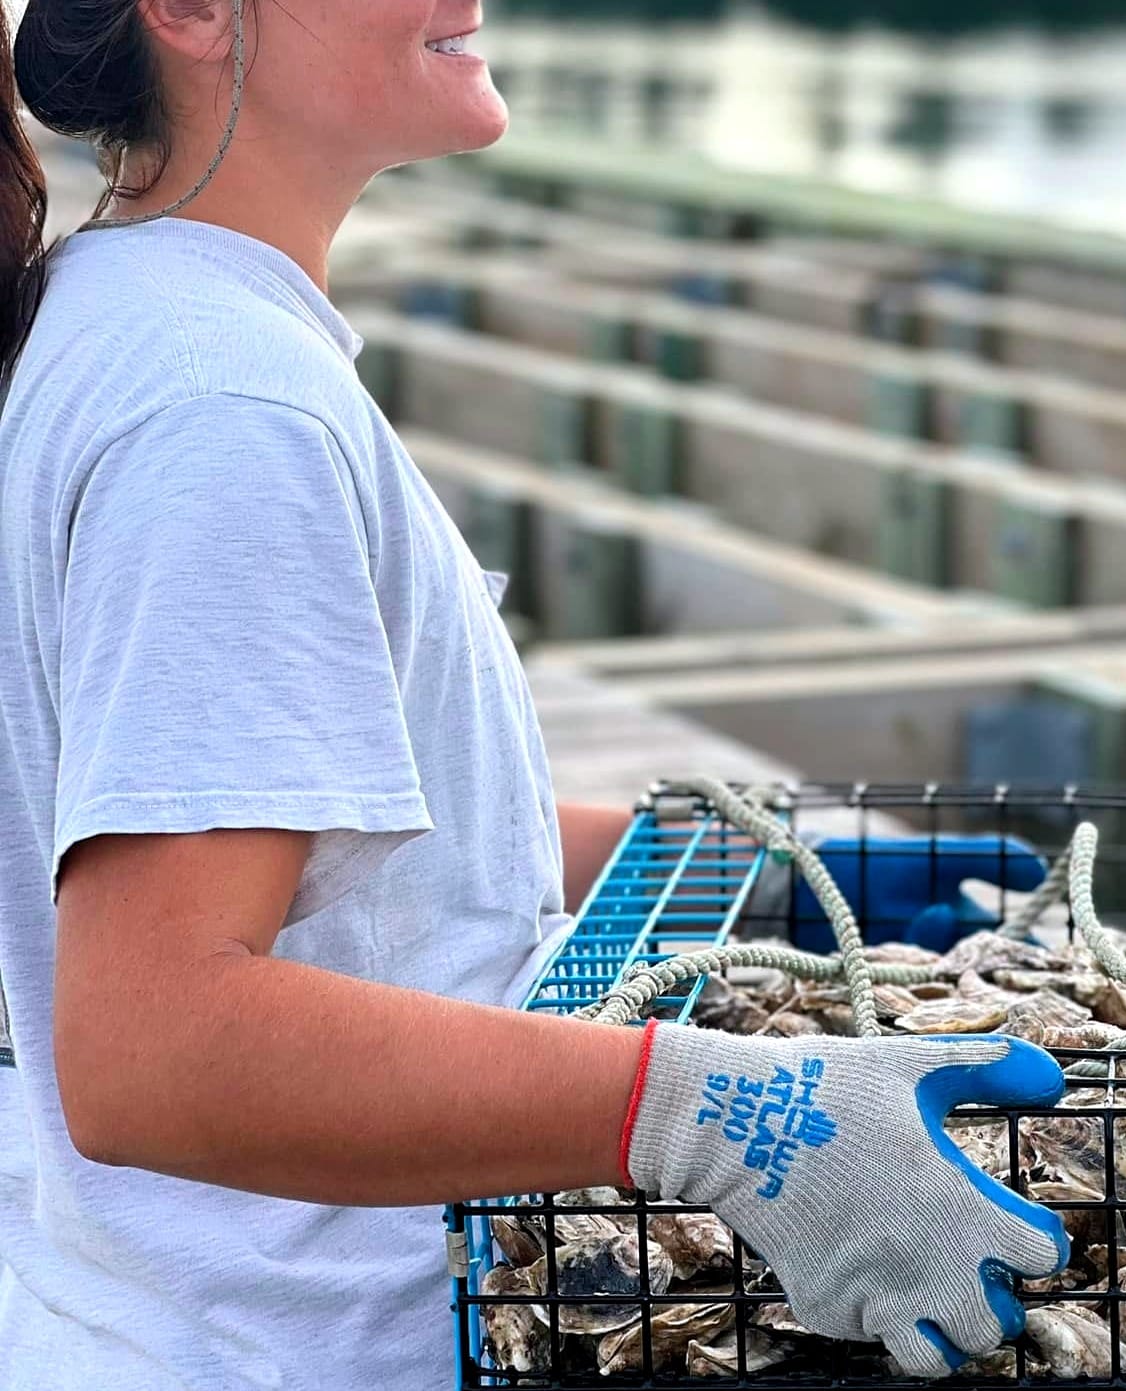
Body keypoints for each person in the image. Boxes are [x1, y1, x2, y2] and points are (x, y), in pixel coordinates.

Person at [0, 0, 1070, 1385]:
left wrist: (727, 867)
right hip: (292, 1350)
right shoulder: (224, 412)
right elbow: (157, 1048)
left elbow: (334, 845)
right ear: (198, 11)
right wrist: (711, 1111)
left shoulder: (128, 322)